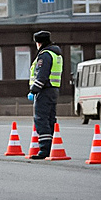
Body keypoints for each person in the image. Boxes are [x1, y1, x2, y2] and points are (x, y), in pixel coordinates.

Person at [28, 31, 63, 159]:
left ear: (39, 43)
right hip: (53, 90)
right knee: (50, 118)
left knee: (41, 118)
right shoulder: (56, 54)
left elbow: (41, 75)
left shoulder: (45, 55)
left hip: (44, 90)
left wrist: (33, 90)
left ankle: (44, 149)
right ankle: (50, 146)